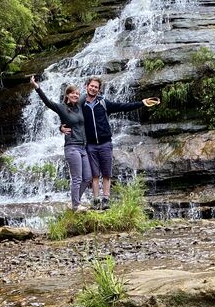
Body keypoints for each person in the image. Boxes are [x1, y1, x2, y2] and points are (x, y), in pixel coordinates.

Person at [62, 76, 159, 210]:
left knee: (106, 173)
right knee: (94, 174)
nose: (93, 88)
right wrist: (61, 127)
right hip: (90, 144)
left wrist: (141, 103)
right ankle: (96, 200)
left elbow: (122, 106)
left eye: (96, 87)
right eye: (91, 86)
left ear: (99, 90)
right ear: (86, 86)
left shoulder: (103, 103)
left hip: (105, 143)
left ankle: (106, 199)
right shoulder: (80, 105)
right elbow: (68, 115)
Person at [30, 75, 92, 211]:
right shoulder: (61, 108)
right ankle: (76, 205)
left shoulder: (80, 105)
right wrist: (37, 87)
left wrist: (92, 83)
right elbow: (47, 102)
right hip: (72, 147)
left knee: (87, 178)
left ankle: (75, 202)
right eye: (73, 93)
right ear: (67, 95)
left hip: (83, 147)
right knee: (77, 178)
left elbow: (89, 91)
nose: (76, 95)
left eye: (77, 93)